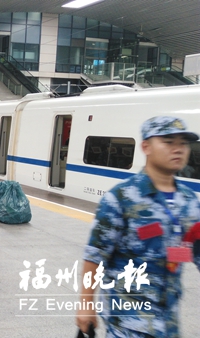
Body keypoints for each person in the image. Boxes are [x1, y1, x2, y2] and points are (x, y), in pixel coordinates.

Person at [76, 116, 200, 337]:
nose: (178, 149)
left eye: (183, 143)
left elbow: (194, 249)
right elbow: (95, 255)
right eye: (168, 142)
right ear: (146, 147)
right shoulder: (121, 198)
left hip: (169, 320)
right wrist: (86, 304)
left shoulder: (189, 201)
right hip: (128, 321)